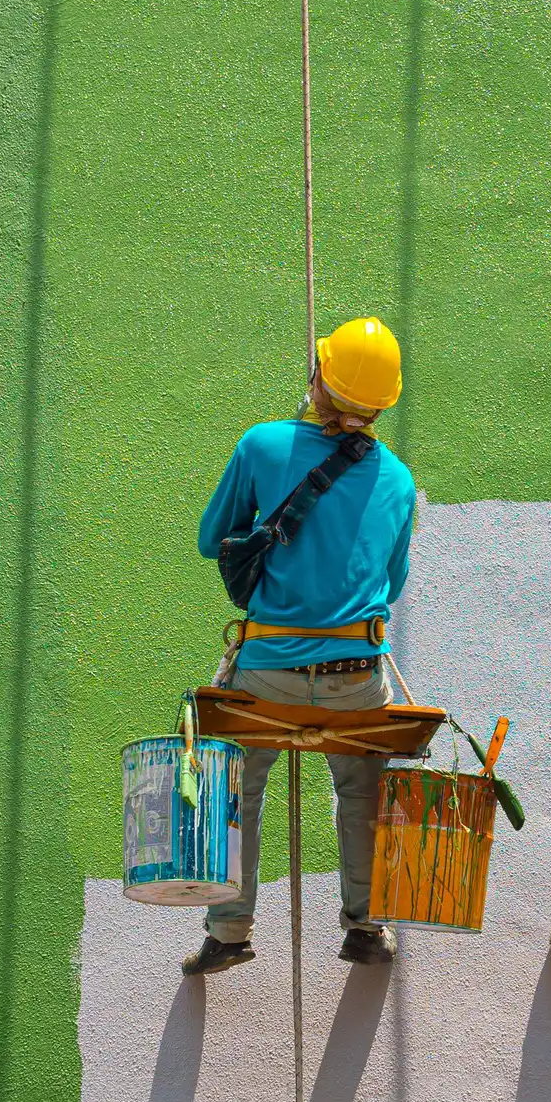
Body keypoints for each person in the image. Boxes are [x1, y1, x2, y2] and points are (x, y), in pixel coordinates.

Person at [184, 316, 417, 977]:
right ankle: (365, 924)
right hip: (356, 676)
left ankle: (229, 929)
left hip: (269, 673)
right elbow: (392, 582)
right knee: (362, 790)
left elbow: (212, 539)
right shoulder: (397, 479)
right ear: (379, 402)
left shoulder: (262, 446)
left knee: (236, 787)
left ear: (319, 379)